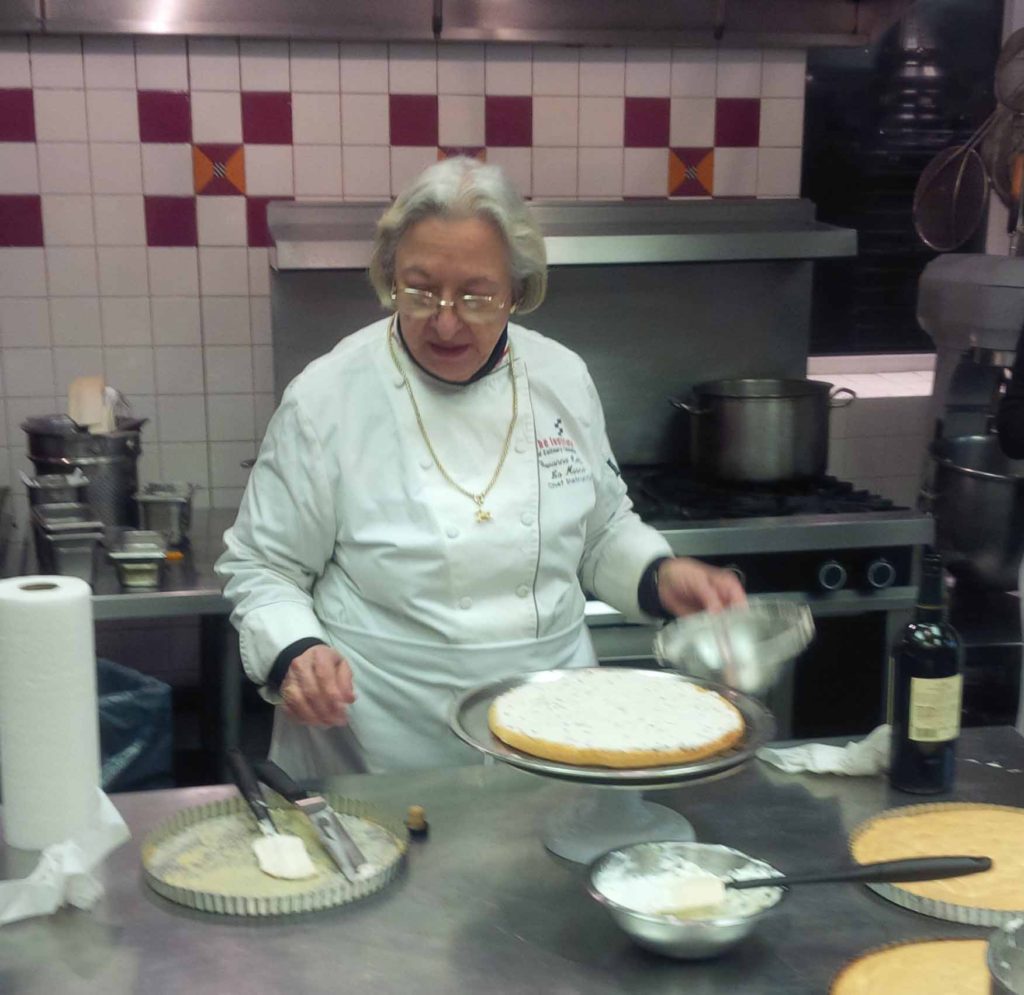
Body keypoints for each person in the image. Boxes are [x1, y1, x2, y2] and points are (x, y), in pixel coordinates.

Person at [216, 157, 746, 777]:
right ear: (389, 276)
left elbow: (600, 532)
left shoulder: (561, 378)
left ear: (518, 291)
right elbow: (264, 565)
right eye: (419, 290)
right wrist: (296, 653)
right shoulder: (328, 397)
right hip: (381, 736)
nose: (445, 320)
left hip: (557, 730)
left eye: (475, 295)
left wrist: (661, 575)